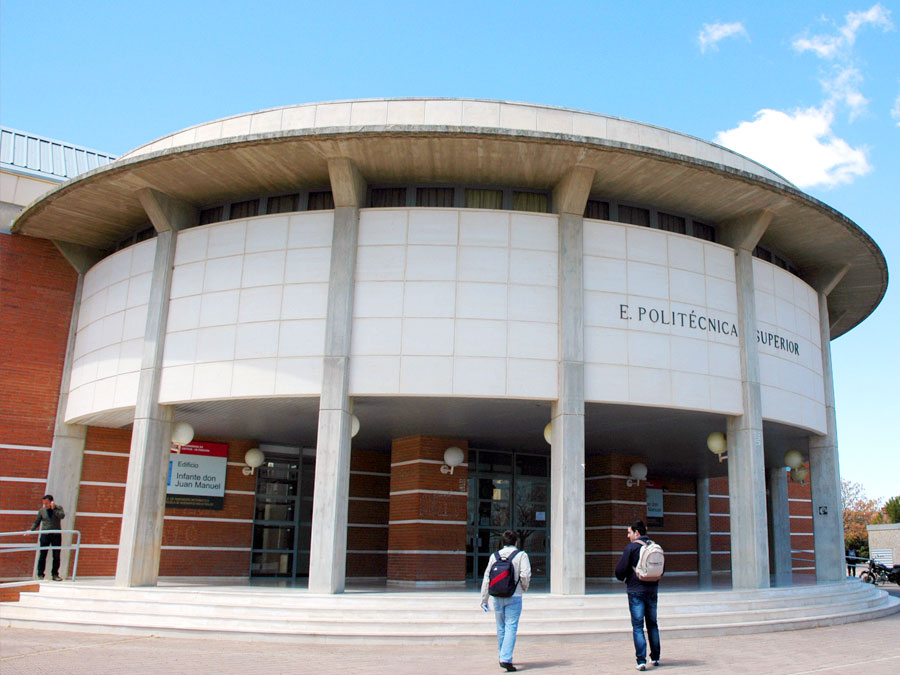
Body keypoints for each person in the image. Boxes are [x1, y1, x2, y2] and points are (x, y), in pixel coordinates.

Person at [480, 530, 532, 672]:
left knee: (501, 627)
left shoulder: (494, 556)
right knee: (511, 627)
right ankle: (505, 658)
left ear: (502, 543)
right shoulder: (521, 555)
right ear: (516, 542)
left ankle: (502, 655)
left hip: (496, 596)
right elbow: (525, 575)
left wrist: (484, 599)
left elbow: (487, 578)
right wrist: (523, 588)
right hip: (514, 596)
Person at [615, 519, 660, 671]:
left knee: (638, 626)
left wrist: (623, 578)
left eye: (629, 532)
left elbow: (620, 570)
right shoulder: (654, 547)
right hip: (652, 590)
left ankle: (641, 660)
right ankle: (655, 656)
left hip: (636, 590)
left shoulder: (631, 548)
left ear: (637, 533)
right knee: (653, 624)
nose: (628, 536)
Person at [29, 494, 65, 581]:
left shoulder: (58, 508)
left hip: (56, 535)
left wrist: (54, 509)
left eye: (47, 503)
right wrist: (31, 530)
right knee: (43, 555)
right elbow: (37, 521)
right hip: (45, 535)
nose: (46, 505)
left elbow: (62, 516)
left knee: (56, 555)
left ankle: (55, 574)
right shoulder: (42, 511)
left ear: (51, 502)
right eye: (44, 503)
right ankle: (40, 574)